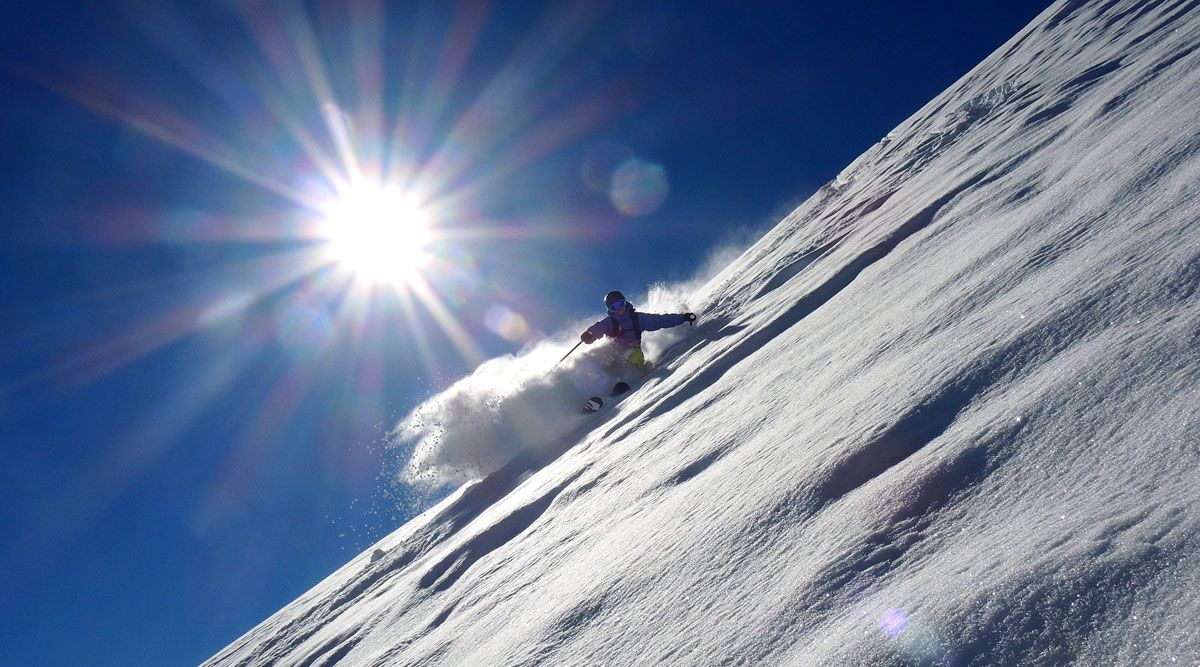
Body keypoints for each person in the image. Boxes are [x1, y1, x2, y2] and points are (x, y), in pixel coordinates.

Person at [580, 290, 696, 371]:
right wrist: (589, 335)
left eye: (621, 304)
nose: (619, 308)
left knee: (635, 357)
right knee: (606, 356)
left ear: (625, 302)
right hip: (614, 351)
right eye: (614, 307)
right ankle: (604, 384)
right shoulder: (609, 322)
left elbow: (660, 321)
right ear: (611, 310)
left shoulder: (637, 319)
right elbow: (598, 328)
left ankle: (634, 379)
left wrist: (683, 318)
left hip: (632, 351)